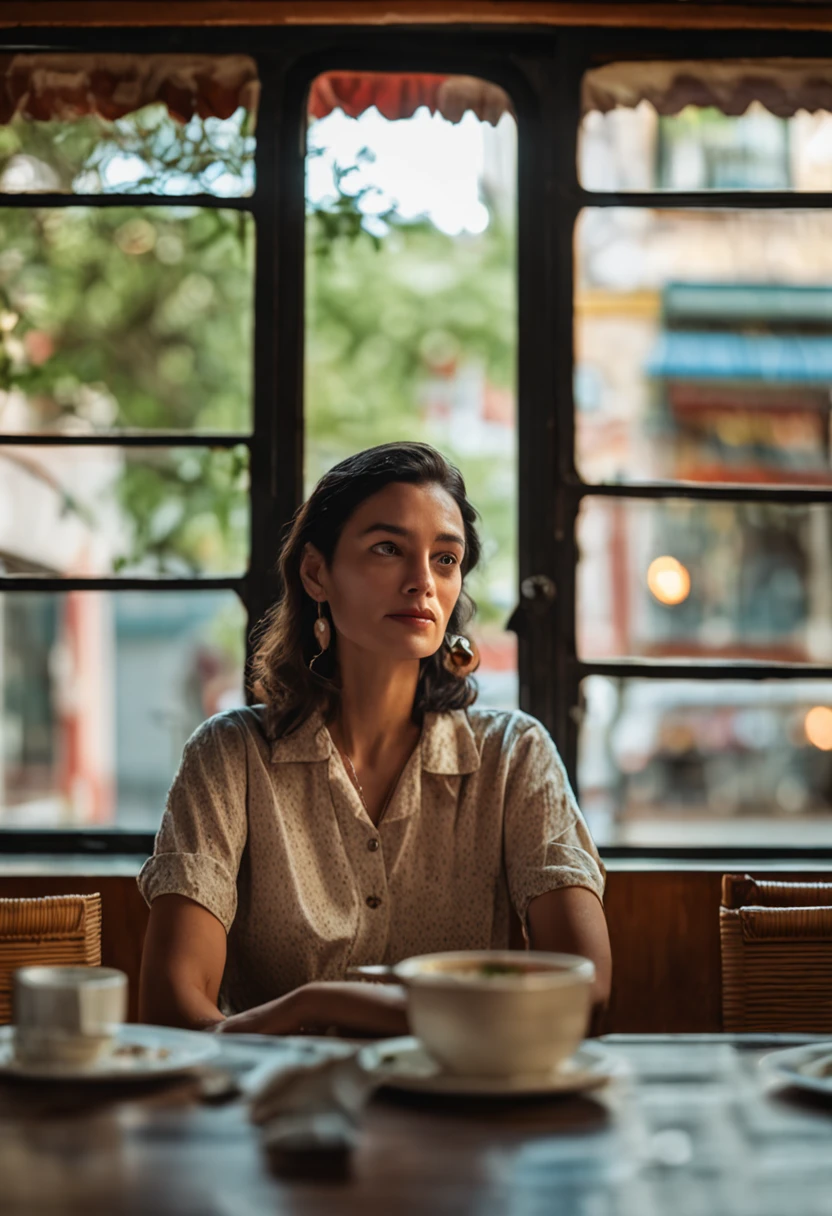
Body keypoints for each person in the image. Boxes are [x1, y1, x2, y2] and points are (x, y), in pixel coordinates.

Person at [137, 442, 611, 1037]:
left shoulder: (515, 755)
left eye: (445, 559)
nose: (422, 582)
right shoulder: (230, 757)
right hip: (277, 1112)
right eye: (388, 549)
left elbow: (586, 989)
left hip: (461, 1105)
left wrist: (328, 1008)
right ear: (316, 573)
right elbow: (171, 1011)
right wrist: (315, 1009)